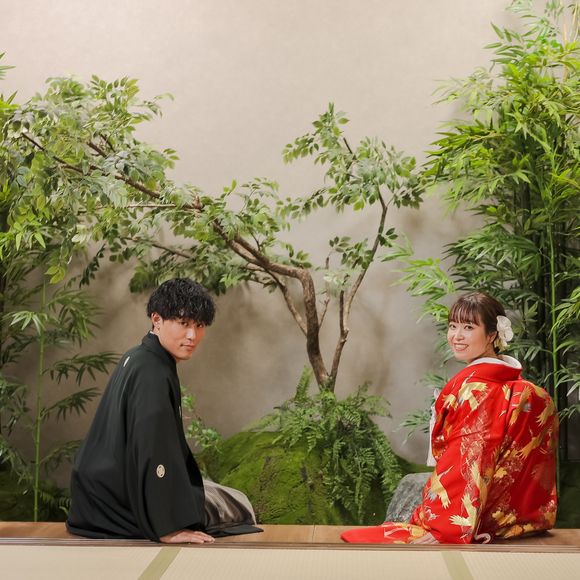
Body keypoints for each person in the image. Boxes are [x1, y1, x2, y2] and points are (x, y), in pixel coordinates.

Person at [341, 292, 558, 544]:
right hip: (518, 519)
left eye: (468, 327)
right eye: (453, 326)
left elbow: (468, 458)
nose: (457, 336)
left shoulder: (477, 391)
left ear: (492, 335)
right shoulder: (532, 393)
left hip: (474, 519)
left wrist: (445, 528)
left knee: (362, 539)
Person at [67, 278, 260, 544]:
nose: (192, 336)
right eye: (183, 323)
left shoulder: (136, 356)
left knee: (209, 490)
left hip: (96, 494)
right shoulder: (153, 373)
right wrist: (168, 526)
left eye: (199, 326)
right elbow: (152, 448)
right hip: (121, 501)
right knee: (240, 504)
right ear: (156, 320)